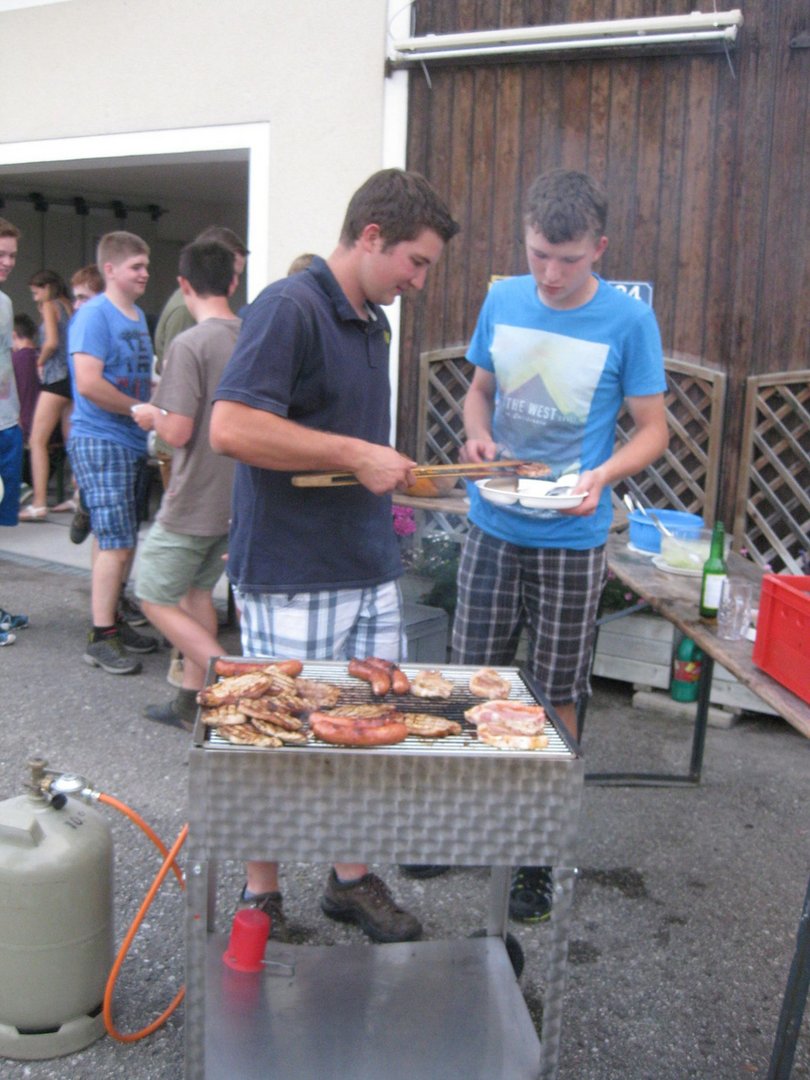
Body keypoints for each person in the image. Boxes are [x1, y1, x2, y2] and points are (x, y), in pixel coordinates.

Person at [210, 168, 459, 944]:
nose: (419, 281)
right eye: (416, 262)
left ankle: (349, 881)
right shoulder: (289, 307)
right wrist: (356, 452)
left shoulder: (372, 320)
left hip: (366, 562)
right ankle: (260, 896)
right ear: (373, 236)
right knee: (276, 739)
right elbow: (231, 428)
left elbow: (342, 438)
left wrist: (386, 468)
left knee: (368, 731)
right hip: (293, 572)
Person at [451, 168, 669, 922]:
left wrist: (603, 475)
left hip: (574, 535)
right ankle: (459, 824)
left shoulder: (628, 321)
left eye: (568, 260)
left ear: (598, 249)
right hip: (493, 521)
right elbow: (479, 391)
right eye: (539, 253)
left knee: (557, 691)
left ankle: (536, 853)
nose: (549, 274)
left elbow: (653, 429)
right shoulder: (504, 298)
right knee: (471, 677)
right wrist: (478, 435)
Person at [133, 240, 240, 728]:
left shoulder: (191, 343)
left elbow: (176, 431)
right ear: (233, 282)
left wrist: (151, 413)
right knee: (197, 596)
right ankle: (190, 704)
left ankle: (234, 679)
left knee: (153, 595)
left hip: (193, 497)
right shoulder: (249, 336)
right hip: (233, 498)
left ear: (183, 284)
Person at [67, 230, 159, 675]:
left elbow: (135, 377)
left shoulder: (136, 316)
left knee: (118, 539)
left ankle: (113, 621)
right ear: (110, 269)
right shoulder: (94, 315)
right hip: (102, 440)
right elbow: (88, 383)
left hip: (129, 441)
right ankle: (101, 637)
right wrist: (137, 407)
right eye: (136, 266)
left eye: (146, 266)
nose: (145, 273)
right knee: (118, 544)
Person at [18, 270, 75, 520]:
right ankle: (79, 495)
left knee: (37, 440)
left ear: (47, 287)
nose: (35, 298)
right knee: (72, 439)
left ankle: (39, 502)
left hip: (55, 378)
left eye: (36, 292)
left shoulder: (51, 305)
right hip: (72, 378)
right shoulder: (69, 305)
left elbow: (51, 342)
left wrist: (39, 361)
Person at [154, 226, 248, 375]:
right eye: (231, 273)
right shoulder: (184, 311)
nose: (235, 281)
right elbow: (175, 374)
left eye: (238, 275)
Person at [0, 217, 28, 645]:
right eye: (0, 254)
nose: (7, 262)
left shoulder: (5, 302)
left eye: (11, 255)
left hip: (7, 425)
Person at [11, 313, 40, 449]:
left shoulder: (13, 361)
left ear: (13, 335)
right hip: (52, 429)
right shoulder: (46, 358)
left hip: (24, 432)